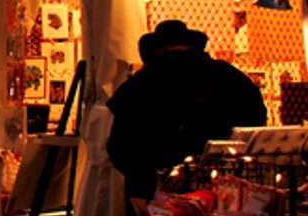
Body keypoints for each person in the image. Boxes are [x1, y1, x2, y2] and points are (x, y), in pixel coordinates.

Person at [105, 19, 268, 205]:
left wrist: (142, 171)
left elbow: (119, 146)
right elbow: (255, 117)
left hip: (153, 188)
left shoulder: (140, 83)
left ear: (156, 49)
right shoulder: (225, 74)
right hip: (222, 184)